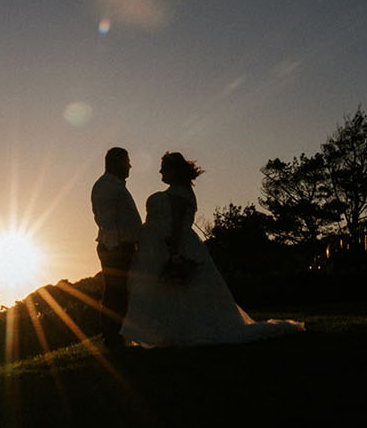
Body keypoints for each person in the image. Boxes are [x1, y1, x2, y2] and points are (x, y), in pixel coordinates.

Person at [122, 152, 304, 347]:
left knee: (180, 290)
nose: (160, 171)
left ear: (174, 170)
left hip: (171, 246)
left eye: (164, 167)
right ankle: (165, 332)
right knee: (168, 291)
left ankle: (179, 332)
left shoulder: (180, 194)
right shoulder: (176, 192)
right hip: (155, 249)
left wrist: (173, 251)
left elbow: (176, 224)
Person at [91, 146, 142, 350]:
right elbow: (106, 220)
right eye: (126, 161)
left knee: (121, 293)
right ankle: (113, 339)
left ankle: (119, 336)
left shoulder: (114, 184)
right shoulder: (106, 185)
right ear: (115, 162)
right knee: (115, 294)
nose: (130, 165)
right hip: (116, 248)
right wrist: (115, 248)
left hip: (121, 246)